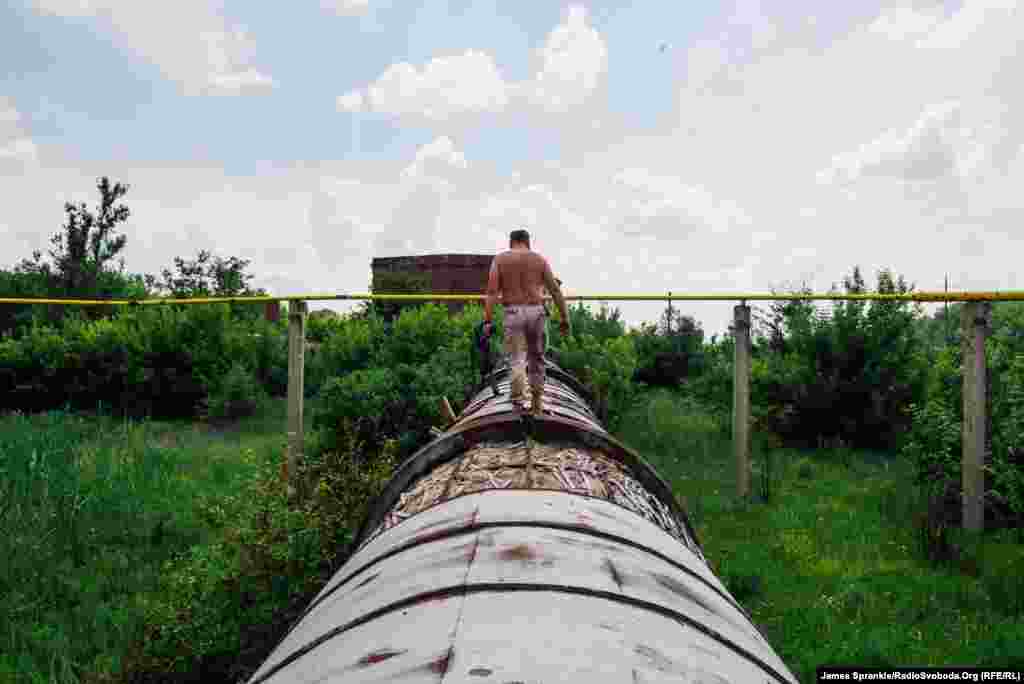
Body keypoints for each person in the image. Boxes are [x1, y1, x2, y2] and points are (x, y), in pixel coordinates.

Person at [484, 229, 571, 416]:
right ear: (528, 242)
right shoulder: (539, 259)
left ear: (511, 242)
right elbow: (555, 290)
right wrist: (565, 318)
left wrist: (488, 320)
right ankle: (537, 404)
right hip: (536, 311)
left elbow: (492, 292)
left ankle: (517, 403)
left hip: (513, 312)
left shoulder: (500, 260)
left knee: (516, 359)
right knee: (537, 359)